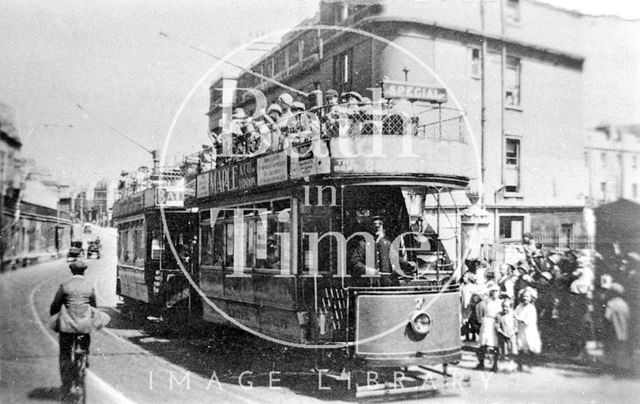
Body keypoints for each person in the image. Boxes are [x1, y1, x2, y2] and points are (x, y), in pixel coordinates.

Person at [50, 260, 97, 402]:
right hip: (84, 327)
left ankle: (67, 383)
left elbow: (55, 305)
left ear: (72, 271)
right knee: (83, 345)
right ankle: (83, 360)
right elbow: (94, 307)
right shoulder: (89, 287)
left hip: (67, 328)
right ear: (84, 271)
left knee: (65, 354)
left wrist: (54, 312)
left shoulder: (64, 286)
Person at [603, 283, 631, 376]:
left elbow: (607, 317)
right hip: (623, 332)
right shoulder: (625, 304)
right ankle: (620, 369)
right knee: (620, 349)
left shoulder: (611, 304)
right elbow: (628, 317)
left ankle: (611, 368)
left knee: (611, 349)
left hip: (613, 331)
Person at [515, 287, 542, 371]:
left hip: (529, 330)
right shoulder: (519, 306)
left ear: (531, 298)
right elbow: (515, 315)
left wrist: (518, 318)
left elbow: (528, 321)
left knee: (530, 346)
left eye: (527, 297)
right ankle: (519, 365)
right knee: (520, 346)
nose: (525, 298)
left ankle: (531, 364)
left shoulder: (531, 308)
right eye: (524, 296)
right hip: (521, 329)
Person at [476, 285, 501, 370]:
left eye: (496, 291)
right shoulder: (487, 301)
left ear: (499, 292)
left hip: (495, 323)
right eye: (493, 291)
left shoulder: (501, 302)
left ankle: (495, 365)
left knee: (495, 345)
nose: (494, 293)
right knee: (482, 344)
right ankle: (481, 363)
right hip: (486, 323)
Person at [496, 299, 519, 372]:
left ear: (511, 307)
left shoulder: (513, 315)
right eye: (503, 307)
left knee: (511, 352)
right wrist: (502, 333)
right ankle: (502, 366)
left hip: (511, 337)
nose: (504, 308)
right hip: (503, 337)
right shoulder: (499, 315)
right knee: (503, 351)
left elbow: (516, 327)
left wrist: (511, 333)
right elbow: (497, 326)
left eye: (506, 307)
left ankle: (511, 366)